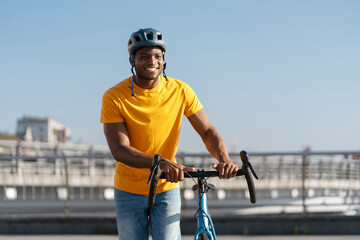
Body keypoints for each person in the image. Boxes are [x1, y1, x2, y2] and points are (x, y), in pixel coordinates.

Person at [100, 28, 239, 240]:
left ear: (164, 60)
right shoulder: (114, 97)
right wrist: (161, 163)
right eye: (143, 56)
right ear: (132, 61)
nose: (152, 61)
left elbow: (207, 131)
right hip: (129, 189)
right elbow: (120, 150)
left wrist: (225, 160)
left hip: (166, 186)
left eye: (157, 56)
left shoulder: (180, 90)